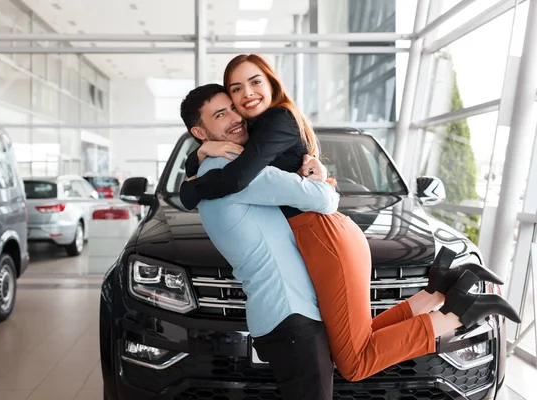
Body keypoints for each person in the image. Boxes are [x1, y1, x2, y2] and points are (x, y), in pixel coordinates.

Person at [180, 54, 521, 382]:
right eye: (236, 89)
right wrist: (201, 154)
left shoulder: (275, 121)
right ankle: (437, 292)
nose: (246, 94)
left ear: (272, 83)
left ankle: (459, 314)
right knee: (361, 337)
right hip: (324, 235)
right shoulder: (255, 132)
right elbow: (238, 161)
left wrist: (191, 187)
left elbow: (238, 178)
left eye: (254, 82)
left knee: (355, 363)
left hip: (322, 235)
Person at [179, 84, 338, 399]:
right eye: (220, 114)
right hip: (290, 315)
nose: (235, 118)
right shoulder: (233, 171)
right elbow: (324, 199)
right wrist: (320, 175)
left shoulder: (209, 169)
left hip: (283, 314)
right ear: (200, 131)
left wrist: (196, 156)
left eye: (233, 108)